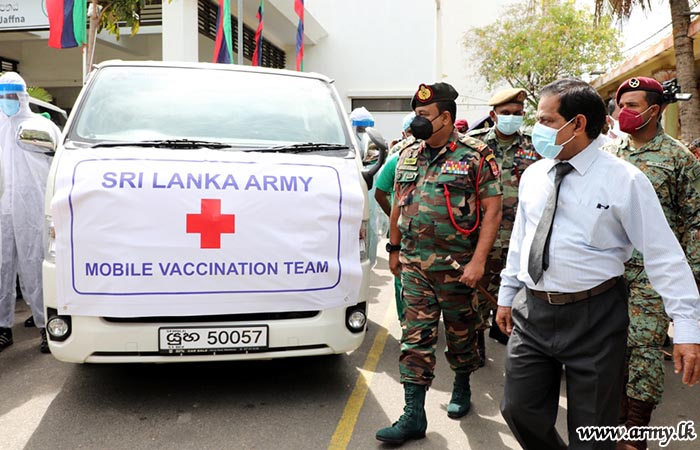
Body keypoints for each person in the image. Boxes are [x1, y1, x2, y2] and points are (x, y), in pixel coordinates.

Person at [495, 78, 700, 450]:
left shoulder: (625, 180)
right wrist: (507, 293)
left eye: (545, 120)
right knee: (517, 409)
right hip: (533, 311)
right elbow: (521, 241)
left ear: (577, 124)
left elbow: (664, 255)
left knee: (591, 432)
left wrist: (687, 328)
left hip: (596, 316)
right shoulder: (534, 175)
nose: (535, 129)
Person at [375, 82, 502, 445]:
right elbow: (399, 202)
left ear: (446, 117)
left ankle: (462, 386)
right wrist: (394, 248)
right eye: (416, 115)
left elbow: (492, 211)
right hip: (415, 264)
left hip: (459, 268)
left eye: (425, 116)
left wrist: (479, 261)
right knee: (415, 340)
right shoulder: (408, 154)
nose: (418, 122)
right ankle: (413, 414)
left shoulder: (476, 154)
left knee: (463, 337)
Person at [604, 76, 700, 450]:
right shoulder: (610, 155)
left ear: (655, 110)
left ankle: (636, 433)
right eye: (620, 105)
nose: (622, 113)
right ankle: (615, 422)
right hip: (610, 269)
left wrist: (691, 276)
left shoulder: (678, 158)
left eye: (632, 105)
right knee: (611, 346)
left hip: (654, 271)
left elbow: (695, 220)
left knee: (643, 347)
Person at [469, 87, 538, 366]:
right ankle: (472, 363)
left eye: (517, 114)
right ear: (493, 115)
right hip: (481, 244)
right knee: (474, 309)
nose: (512, 118)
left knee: (522, 311)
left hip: (521, 245)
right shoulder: (473, 147)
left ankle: (519, 363)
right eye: (506, 113)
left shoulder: (536, 147)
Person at [0, 72, 60, 353]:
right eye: (2, 95)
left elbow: (56, 164)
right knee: (2, 268)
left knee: (35, 267)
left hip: (33, 208)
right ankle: (3, 327)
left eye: (12, 96)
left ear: (23, 97)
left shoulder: (41, 127)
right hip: (3, 209)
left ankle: (45, 327)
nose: (7, 101)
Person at [374, 112, 414, 322]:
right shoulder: (398, 158)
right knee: (403, 279)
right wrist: (394, 218)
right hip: (403, 234)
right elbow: (380, 192)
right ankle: (405, 320)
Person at [349, 106, 382, 266]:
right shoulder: (348, 142)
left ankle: (369, 259)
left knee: (370, 222)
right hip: (354, 187)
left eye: (364, 127)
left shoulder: (374, 142)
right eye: (359, 127)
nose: (362, 131)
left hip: (369, 186)